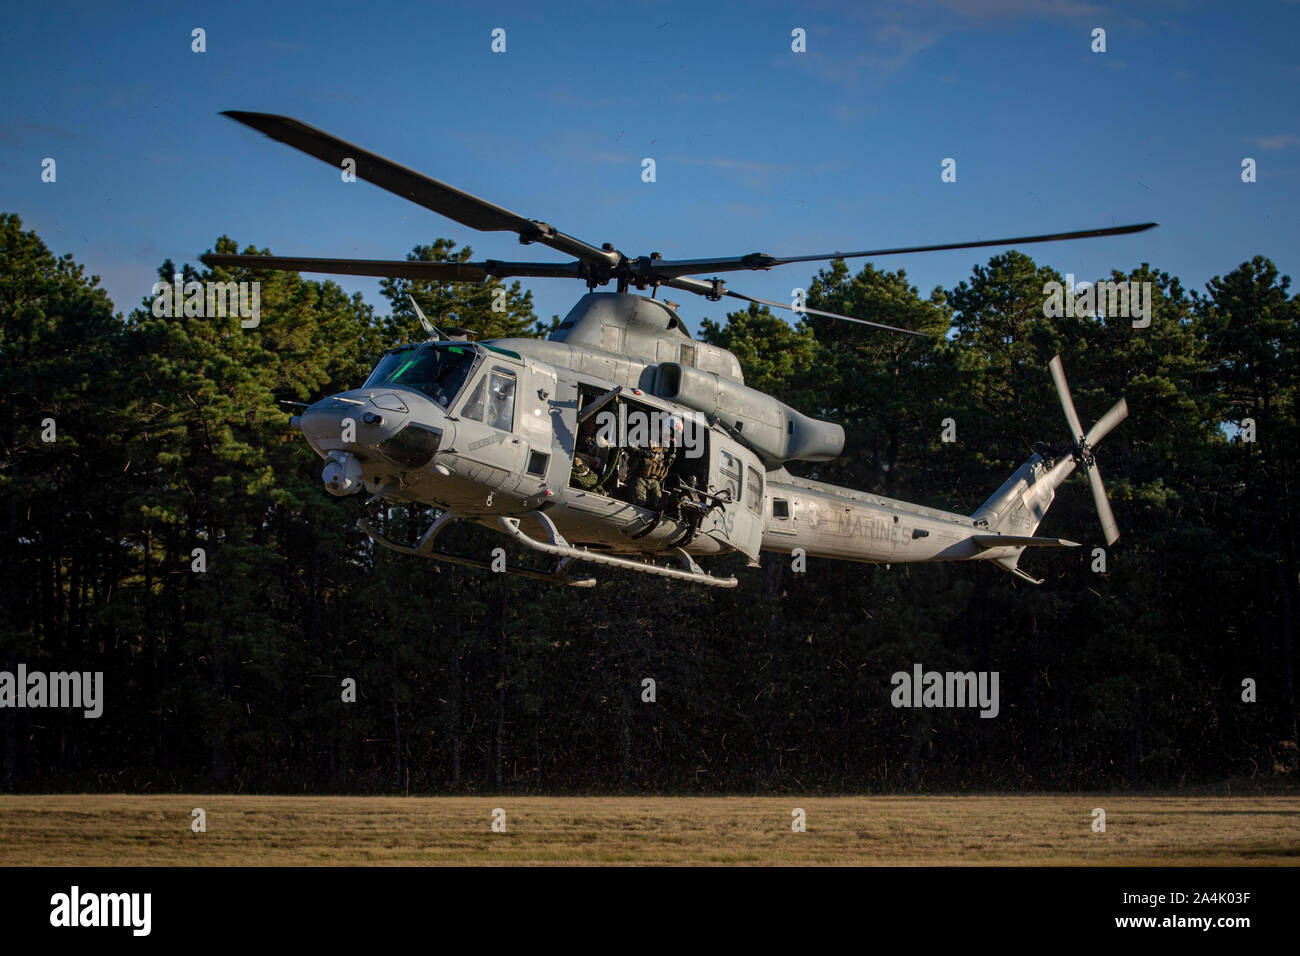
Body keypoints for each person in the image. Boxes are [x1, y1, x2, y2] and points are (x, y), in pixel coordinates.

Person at [631, 416, 680, 509]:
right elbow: (629, 445)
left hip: (654, 480)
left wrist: (672, 453)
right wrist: (643, 453)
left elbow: (668, 463)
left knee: (659, 507)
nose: (672, 437)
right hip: (639, 477)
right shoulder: (647, 434)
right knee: (640, 504)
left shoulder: (668, 444)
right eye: (672, 433)